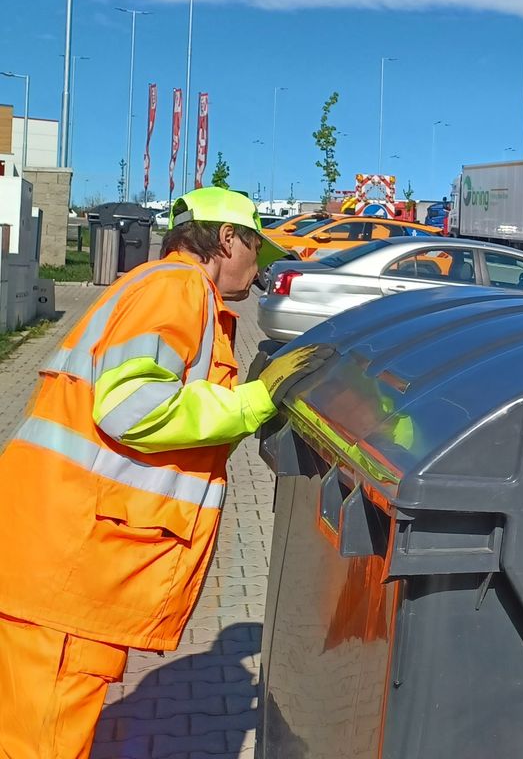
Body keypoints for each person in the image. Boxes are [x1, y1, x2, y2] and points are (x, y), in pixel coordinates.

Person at [0, 187, 333, 759]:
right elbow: (133, 407)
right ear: (228, 239)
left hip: (54, 550)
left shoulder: (153, 285)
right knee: (41, 741)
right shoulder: (178, 290)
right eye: (258, 251)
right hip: (70, 566)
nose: (259, 272)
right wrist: (254, 402)